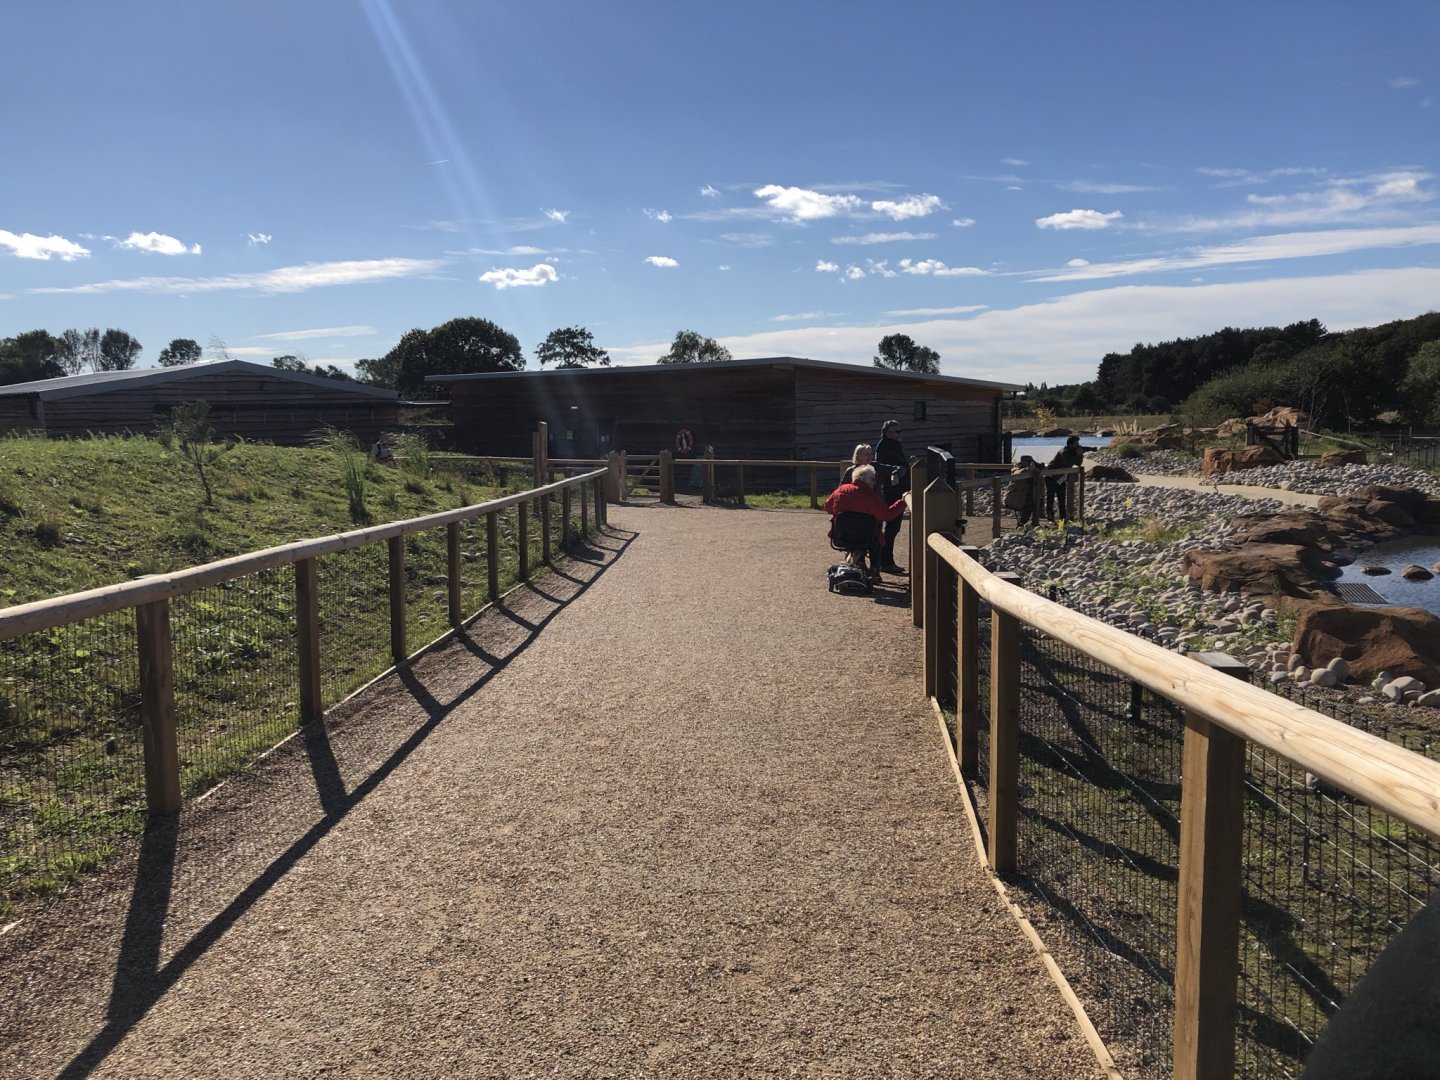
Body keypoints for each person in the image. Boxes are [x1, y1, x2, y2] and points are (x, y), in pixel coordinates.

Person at [824, 464, 907, 583]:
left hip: (841, 536)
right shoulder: (871, 496)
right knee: (877, 537)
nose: (875, 483)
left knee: (862, 532)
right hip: (866, 538)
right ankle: (874, 570)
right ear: (865, 479)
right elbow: (886, 515)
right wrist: (902, 503)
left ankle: (859, 564)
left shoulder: (840, 490)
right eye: (873, 479)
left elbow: (828, 508)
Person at [872, 420, 909, 573]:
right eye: (891, 432)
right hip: (891, 492)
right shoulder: (887, 446)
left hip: (894, 491)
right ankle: (885, 562)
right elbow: (885, 468)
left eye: (897, 432)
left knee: (890, 528)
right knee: (891, 527)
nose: (894, 435)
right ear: (885, 432)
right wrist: (897, 473)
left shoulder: (890, 445)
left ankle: (883, 560)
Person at [1044, 434, 1096, 521]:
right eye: (1075, 444)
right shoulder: (1064, 452)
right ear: (1070, 445)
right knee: (1050, 499)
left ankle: (1063, 518)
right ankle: (1050, 517)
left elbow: (1078, 464)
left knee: (1062, 499)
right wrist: (1077, 454)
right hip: (1051, 477)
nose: (1077, 446)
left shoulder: (1073, 452)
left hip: (1061, 478)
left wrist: (1080, 454)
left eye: (1078, 444)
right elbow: (1068, 463)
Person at [1004, 455, 1043, 527]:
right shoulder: (1017, 469)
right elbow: (1017, 473)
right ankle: (1022, 524)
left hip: (1028, 495)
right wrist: (1028, 469)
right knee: (1029, 506)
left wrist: (1037, 470)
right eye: (1027, 462)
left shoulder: (1032, 470)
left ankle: (1032, 523)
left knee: (1037, 503)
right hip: (1016, 496)